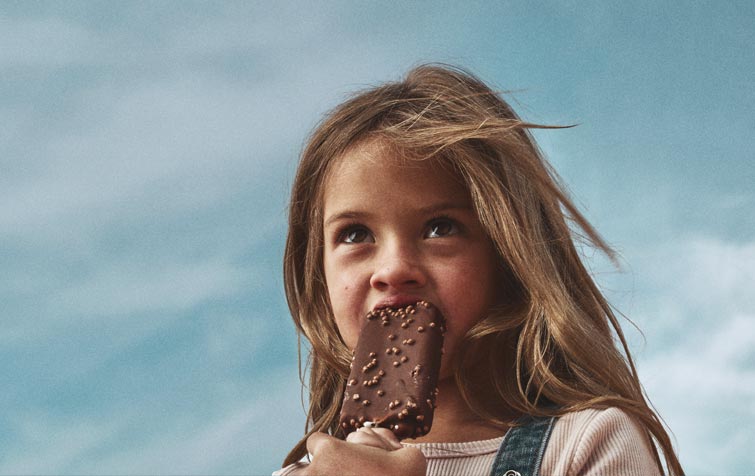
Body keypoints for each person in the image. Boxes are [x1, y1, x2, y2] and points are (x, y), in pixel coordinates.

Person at [275, 64, 683, 476]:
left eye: (440, 228)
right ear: (318, 278)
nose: (394, 268)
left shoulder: (588, 442)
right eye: (355, 234)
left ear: (507, 255)